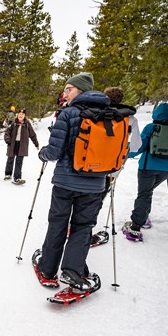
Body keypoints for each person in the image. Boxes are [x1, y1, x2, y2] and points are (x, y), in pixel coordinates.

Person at [35, 72, 109, 291]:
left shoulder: (68, 114)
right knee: (83, 226)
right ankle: (73, 270)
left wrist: (43, 153)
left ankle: (48, 268)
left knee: (58, 223)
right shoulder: (111, 115)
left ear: (81, 90)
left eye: (69, 89)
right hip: (95, 184)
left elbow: (55, 151)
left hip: (66, 182)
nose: (64, 93)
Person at [89, 86, 143, 246]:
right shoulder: (130, 119)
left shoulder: (94, 113)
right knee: (97, 199)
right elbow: (135, 147)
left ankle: (72, 228)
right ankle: (85, 234)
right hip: (112, 167)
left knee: (84, 197)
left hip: (89, 163)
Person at [122, 102, 168, 242]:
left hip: (148, 167)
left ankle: (135, 227)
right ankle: (143, 216)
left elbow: (139, 147)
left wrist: (126, 153)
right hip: (167, 169)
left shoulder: (152, 127)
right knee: (147, 193)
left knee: (144, 194)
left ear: (156, 113)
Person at [3, 108, 39, 184]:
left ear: (24, 116)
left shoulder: (27, 124)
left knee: (19, 161)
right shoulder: (13, 123)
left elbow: (32, 135)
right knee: (10, 159)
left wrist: (36, 144)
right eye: (20, 114)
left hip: (22, 145)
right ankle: (8, 174)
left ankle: (17, 177)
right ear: (17, 115)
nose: (21, 115)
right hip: (12, 144)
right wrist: (7, 140)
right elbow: (7, 132)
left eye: (22, 114)